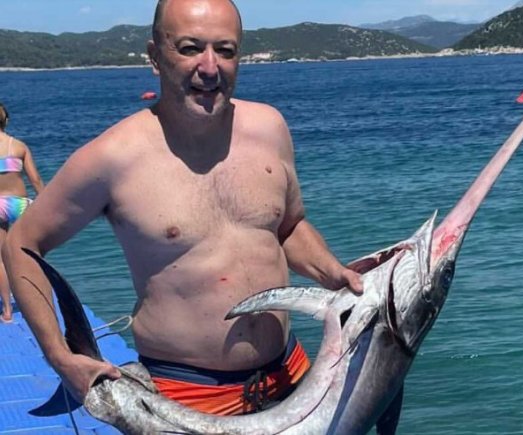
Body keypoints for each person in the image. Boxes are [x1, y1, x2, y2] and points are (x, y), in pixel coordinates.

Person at [2, 0, 362, 416]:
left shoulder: (270, 128)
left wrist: (333, 272)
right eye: (190, 48)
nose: (209, 67)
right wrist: (59, 356)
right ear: (155, 56)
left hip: (294, 378)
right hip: (187, 400)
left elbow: (288, 227)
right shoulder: (112, 158)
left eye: (225, 50)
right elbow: (22, 243)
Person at [0, 102, 45, 323]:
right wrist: (45, 202)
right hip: (19, 203)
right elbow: (35, 179)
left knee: (1, 259)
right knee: (29, 254)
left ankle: (7, 311)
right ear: (6, 121)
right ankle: (38, 302)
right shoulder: (18, 146)